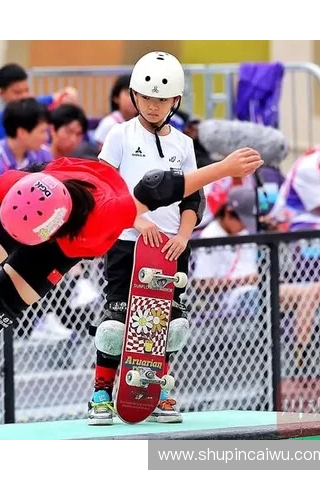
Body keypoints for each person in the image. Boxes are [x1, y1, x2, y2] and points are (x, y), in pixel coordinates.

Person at [0, 138, 261, 347]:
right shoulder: (24, 186)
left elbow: (163, 186)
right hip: (35, 201)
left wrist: (223, 168)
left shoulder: (108, 213)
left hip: (64, 242)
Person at [88, 51, 203, 425]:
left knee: (167, 325)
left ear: (176, 101)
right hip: (127, 242)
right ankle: (101, 394)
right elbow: (104, 188)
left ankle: (156, 390)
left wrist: (183, 236)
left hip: (170, 248)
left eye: (162, 99)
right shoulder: (120, 135)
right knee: (117, 325)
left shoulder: (183, 145)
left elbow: (192, 197)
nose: (154, 106)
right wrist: (137, 219)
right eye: (147, 97)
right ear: (134, 96)